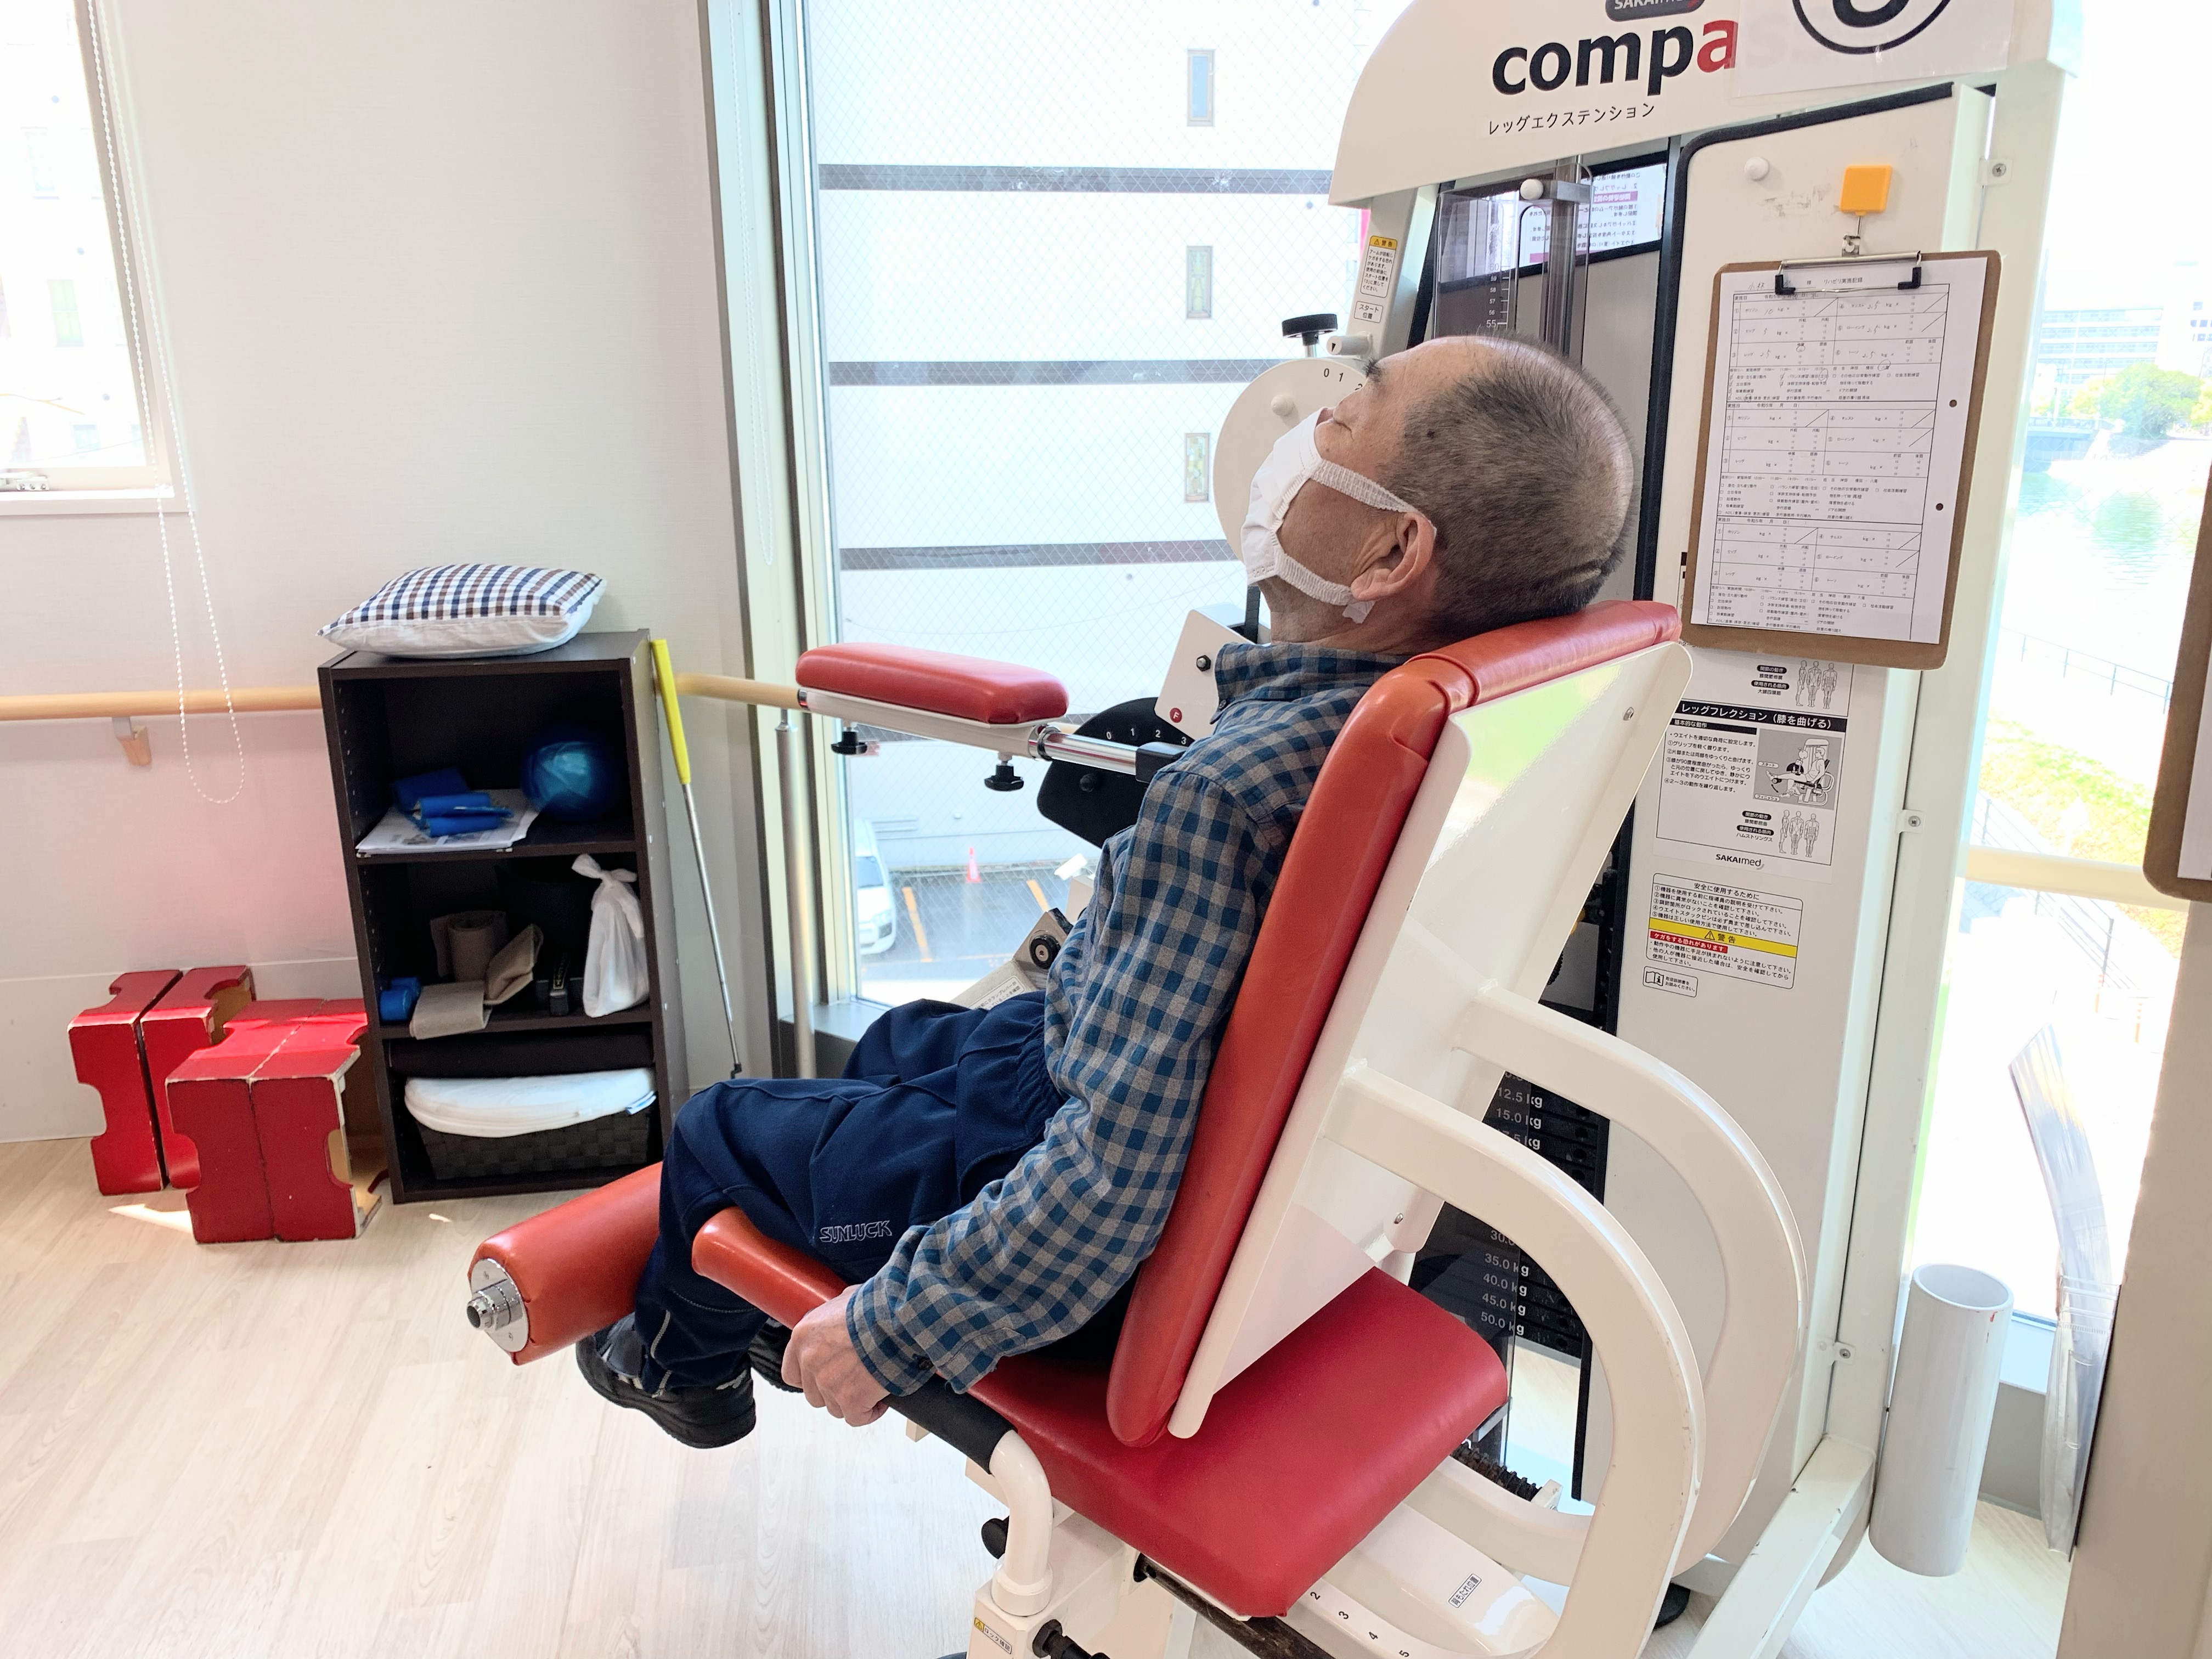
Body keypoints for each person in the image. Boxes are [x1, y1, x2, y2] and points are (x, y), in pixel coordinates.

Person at [577, 335, 1639, 1447]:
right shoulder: (1475, 731)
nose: (1304, 437)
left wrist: (890, 1329)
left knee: (716, 1130)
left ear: (1390, 550)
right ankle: (817, 1224)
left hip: (1063, 1204)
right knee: (899, 1040)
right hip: (1089, 1077)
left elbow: (1109, 1179)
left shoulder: (1228, 796)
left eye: (1340, 421)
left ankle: (681, 1368)